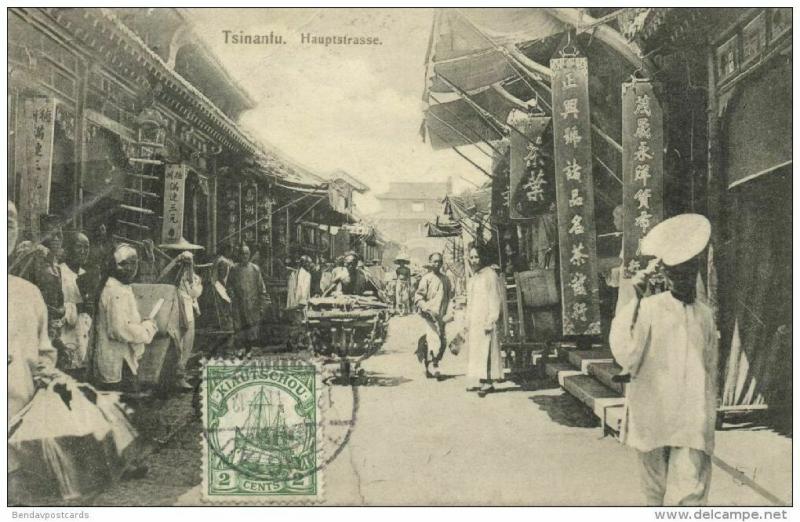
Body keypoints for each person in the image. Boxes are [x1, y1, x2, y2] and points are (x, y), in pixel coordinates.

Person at [609, 214, 717, 506]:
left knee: (692, 493)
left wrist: (709, 414)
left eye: (689, 270)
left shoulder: (705, 316)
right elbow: (625, 350)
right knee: (652, 492)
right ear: (667, 275)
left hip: (692, 414)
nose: (683, 278)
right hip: (653, 411)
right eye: (676, 272)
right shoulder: (649, 309)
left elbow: (710, 368)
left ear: (696, 271)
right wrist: (632, 297)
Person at [92, 244, 159, 393]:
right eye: (132, 263)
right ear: (119, 266)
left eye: (136, 263)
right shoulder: (116, 291)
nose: (135, 268)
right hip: (117, 362)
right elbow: (120, 330)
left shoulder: (118, 288)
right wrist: (146, 329)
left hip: (118, 359)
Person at [159, 243, 204, 391]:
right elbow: (161, 278)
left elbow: (194, 292)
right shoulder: (172, 276)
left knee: (187, 342)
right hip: (173, 312)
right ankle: (174, 377)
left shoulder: (195, 278)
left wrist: (189, 269)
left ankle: (180, 374)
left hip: (188, 312)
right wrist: (176, 262)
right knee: (175, 342)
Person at [465, 245, 505, 397]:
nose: (474, 260)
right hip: (476, 319)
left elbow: (495, 299)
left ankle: (488, 382)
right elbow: (471, 300)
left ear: (484, 257)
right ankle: (481, 380)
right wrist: (467, 320)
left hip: (486, 319)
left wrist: (491, 319)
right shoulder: (475, 276)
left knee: (487, 350)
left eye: (477, 257)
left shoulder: (490, 275)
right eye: (472, 257)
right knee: (477, 350)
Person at [58, 231, 93, 379]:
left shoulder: (87, 274)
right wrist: (77, 308)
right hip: (65, 339)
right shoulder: (58, 272)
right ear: (67, 248)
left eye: (87, 247)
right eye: (79, 247)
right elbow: (54, 308)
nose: (84, 251)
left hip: (84, 339)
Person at [414, 252, 452, 378]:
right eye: (434, 261)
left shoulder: (446, 279)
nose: (437, 264)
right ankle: (432, 365)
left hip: (441, 316)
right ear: (430, 262)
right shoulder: (426, 278)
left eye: (439, 261)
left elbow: (450, 296)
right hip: (429, 315)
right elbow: (418, 296)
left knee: (442, 341)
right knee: (433, 340)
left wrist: (449, 312)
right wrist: (425, 308)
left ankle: (433, 363)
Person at [228, 244, 270, 357]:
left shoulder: (255, 269)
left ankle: (250, 349)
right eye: (242, 254)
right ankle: (241, 349)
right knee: (240, 327)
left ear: (249, 254)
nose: (244, 256)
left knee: (251, 327)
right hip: (239, 303)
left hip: (253, 303)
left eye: (246, 253)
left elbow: (261, 287)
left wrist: (263, 303)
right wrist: (232, 294)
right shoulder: (234, 268)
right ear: (239, 255)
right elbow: (229, 285)